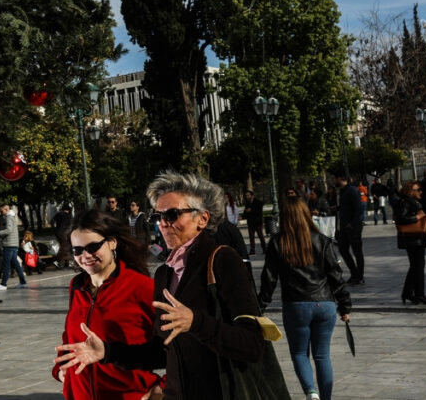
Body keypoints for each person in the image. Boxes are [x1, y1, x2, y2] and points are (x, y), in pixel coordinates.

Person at [55, 171, 283, 400]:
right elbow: (162, 351)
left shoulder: (223, 260)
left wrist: (195, 322)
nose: (164, 224)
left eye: (172, 215)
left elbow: (252, 345)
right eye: (159, 216)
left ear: (202, 218)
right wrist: (107, 352)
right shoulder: (165, 273)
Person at [53, 210, 161, 399]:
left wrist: (163, 387)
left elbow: (180, 347)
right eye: (77, 250)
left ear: (112, 242)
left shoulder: (142, 287)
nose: (85, 255)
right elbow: (70, 338)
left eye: (93, 246)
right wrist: (62, 370)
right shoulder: (77, 286)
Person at [259, 192, 351, 400]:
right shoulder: (322, 240)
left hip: (296, 304)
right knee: (322, 355)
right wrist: (344, 305)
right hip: (324, 302)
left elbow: (269, 279)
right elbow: (336, 276)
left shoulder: (278, 242)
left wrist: (260, 306)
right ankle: (325, 397)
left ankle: (311, 392)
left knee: (300, 353)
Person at [394, 181, 426, 304]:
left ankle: (408, 293)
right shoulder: (406, 202)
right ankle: (419, 294)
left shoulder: (409, 201)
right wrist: (417, 217)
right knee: (418, 267)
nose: (421, 191)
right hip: (413, 238)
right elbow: (401, 218)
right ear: (410, 191)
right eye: (418, 189)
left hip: (415, 238)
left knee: (415, 267)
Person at [334, 173, 365, 285]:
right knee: (343, 249)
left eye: (335, 178)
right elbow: (347, 206)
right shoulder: (343, 191)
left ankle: (359, 276)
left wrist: (352, 223)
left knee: (357, 251)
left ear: (340, 178)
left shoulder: (352, 190)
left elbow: (359, 207)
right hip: (344, 226)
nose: (334, 181)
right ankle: (354, 273)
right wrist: (337, 208)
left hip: (353, 226)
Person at [0, 204, 27, 290]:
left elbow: (8, 230)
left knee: (6, 265)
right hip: (13, 244)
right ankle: (23, 282)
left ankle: (3, 284)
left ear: (6, 210)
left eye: (1, 211)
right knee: (16, 264)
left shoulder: (9, 217)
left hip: (9, 244)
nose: (1, 212)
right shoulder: (12, 217)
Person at [243, 190, 266, 254]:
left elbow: (259, 212)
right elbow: (245, 212)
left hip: (257, 222)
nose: (247, 197)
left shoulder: (258, 202)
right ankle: (252, 250)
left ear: (252, 195)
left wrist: (251, 210)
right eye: (246, 195)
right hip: (250, 223)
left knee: (260, 236)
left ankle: (264, 249)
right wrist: (243, 215)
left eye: (248, 195)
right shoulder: (247, 203)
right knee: (251, 237)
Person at [53, 204, 74, 269]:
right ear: (67, 210)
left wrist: (55, 229)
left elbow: (51, 222)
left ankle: (66, 263)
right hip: (65, 233)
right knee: (65, 247)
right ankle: (58, 262)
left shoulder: (57, 214)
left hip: (58, 233)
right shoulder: (68, 216)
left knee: (64, 247)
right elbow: (71, 225)